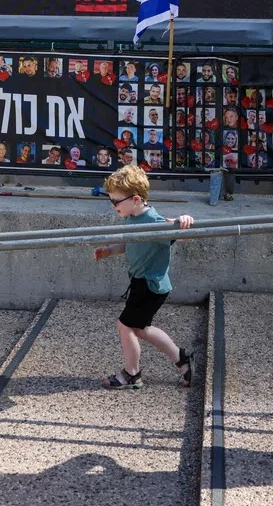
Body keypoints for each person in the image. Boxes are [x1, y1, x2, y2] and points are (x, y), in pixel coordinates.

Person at [94, 165, 194, 389]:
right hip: (142, 283)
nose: (113, 206)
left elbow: (181, 234)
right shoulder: (131, 217)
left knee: (124, 326)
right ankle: (181, 358)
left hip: (150, 285)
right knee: (140, 329)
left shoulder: (153, 221)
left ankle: (132, 374)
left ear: (136, 198)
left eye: (116, 202)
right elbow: (130, 244)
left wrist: (185, 220)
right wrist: (109, 250)